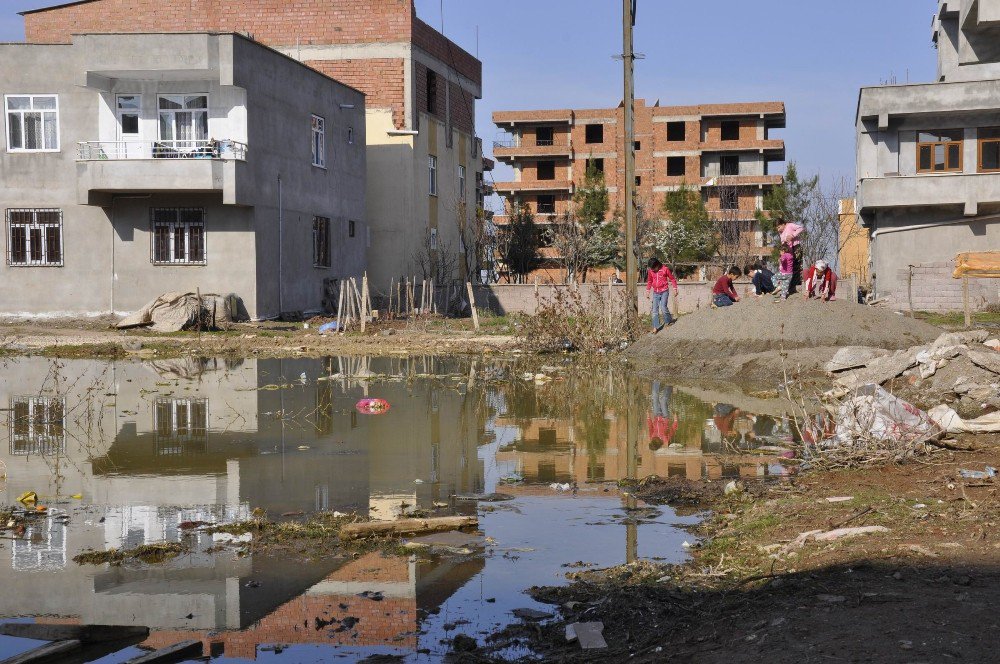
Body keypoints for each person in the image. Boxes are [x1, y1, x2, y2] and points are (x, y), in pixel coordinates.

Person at [645, 257, 678, 332]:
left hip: (664, 291)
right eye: (651, 268)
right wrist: (647, 291)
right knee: (654, 310)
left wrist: (675, 289)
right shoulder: (651, 271)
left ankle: (668, 321)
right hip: (655, 293)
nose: (653, 270)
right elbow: (649, 281)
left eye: (654, 268)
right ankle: (655, 327)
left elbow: (672, 279)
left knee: (663, 307)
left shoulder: (665, 269)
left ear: (658, 265)